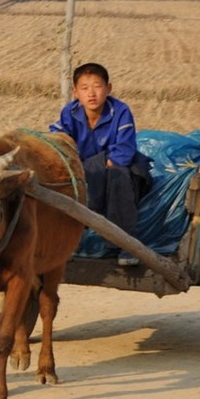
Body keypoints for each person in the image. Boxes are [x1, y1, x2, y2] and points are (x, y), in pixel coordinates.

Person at [50, 62, 152, 267]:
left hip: (121, 168)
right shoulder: (69, 113)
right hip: (86, 168)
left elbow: (122, 153)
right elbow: (61, 142)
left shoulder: (120, 111)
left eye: (97, 86)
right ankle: (68, 242)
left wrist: (91, 167)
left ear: (108, 89)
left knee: (118, 176)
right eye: (85, 88)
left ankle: (125, 244)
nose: (92, 93)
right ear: (76, 92)